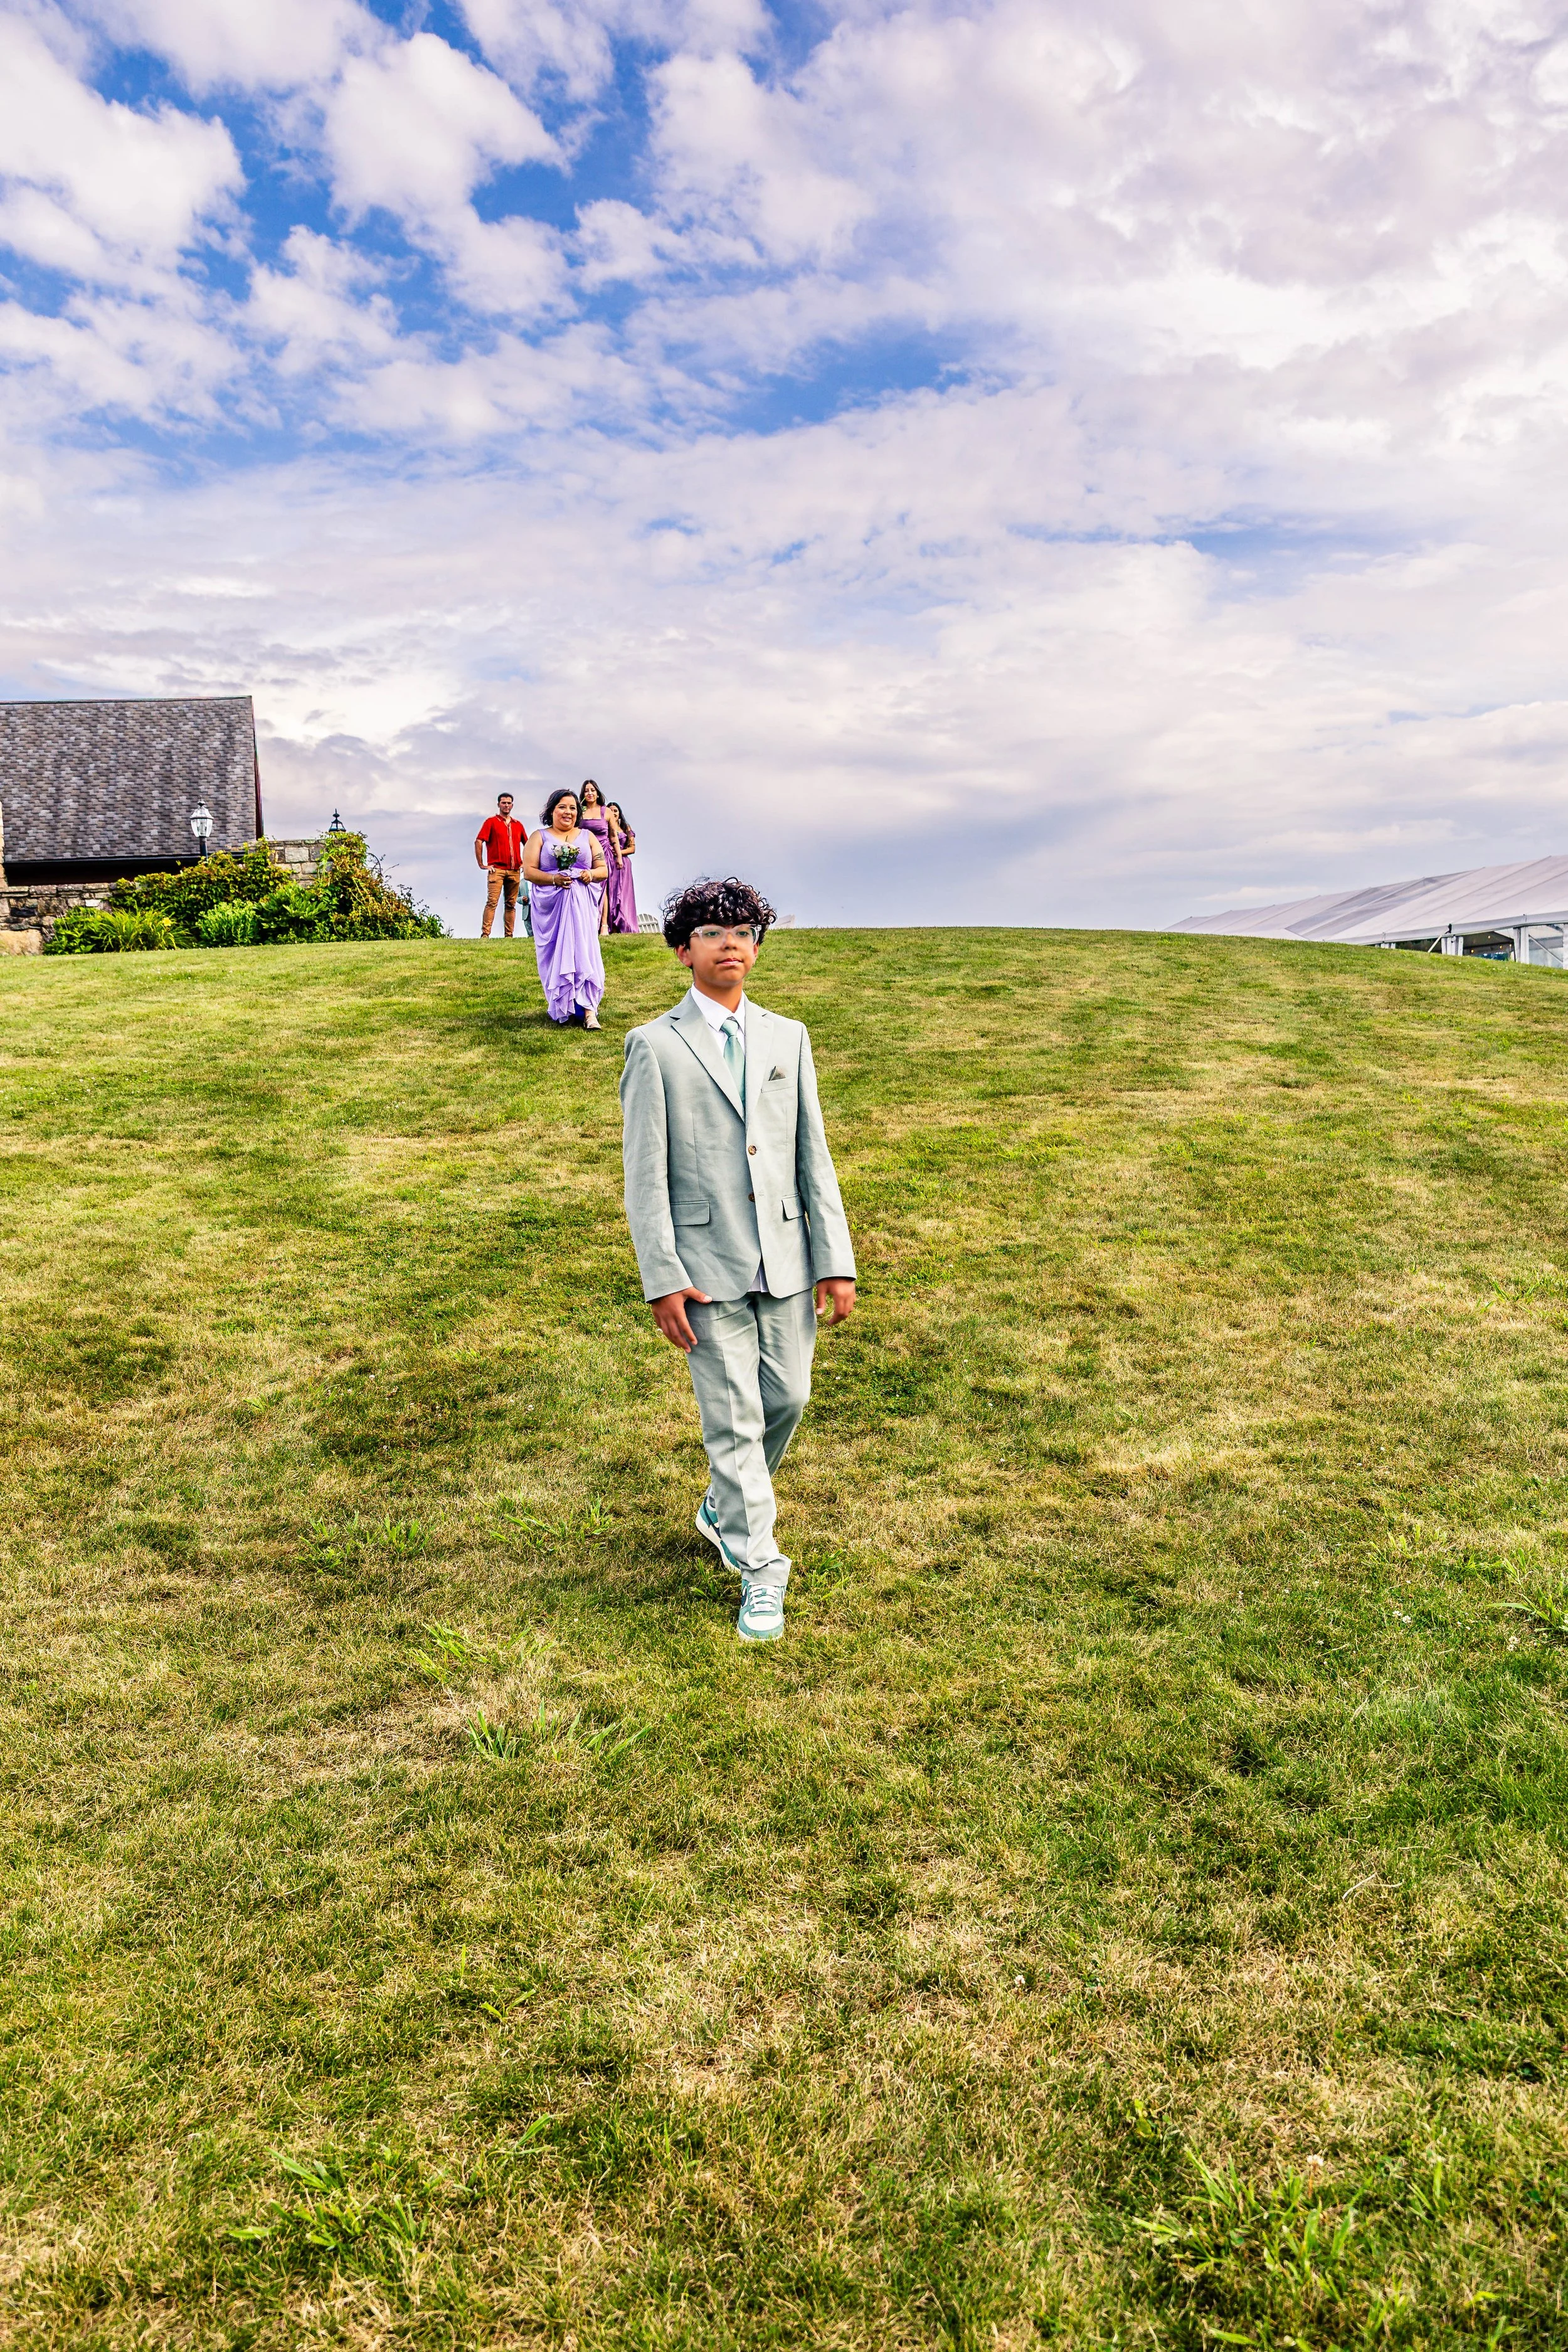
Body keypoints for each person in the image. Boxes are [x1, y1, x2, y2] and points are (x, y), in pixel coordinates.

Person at [620, 878, 856, 1643]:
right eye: (714, 931)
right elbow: (644, 1174)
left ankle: (723, 1507)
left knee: (785, 1400)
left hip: (786, 1258)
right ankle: (761, 1569)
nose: (731, 943)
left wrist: (835, 1259)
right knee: (734, 1420)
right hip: (703, 1267)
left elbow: (811, 1155)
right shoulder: (654, 1045)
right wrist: (662, 1277)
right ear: (683, 949)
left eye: (745, 931)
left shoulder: (789, 1036)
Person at [524, 788, 608, 1027]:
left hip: (581, 907)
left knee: (585, 952)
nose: (568, 812)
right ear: (551, 811)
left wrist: (589, 874)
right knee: (556, 954)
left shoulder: (587, 836)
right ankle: (564, 1005)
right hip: (554, 909)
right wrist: (554, 879)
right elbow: (529, 871)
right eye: (562, 807)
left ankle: (590, 1011)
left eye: (572, 808)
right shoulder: (539, 837)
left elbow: (604, 870)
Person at [475, 792, 526, 938]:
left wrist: (525, 863)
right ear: (498, 805)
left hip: (514, 870)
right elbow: (479, 841)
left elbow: (528, 845)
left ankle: (509, 936)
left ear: (512, 805)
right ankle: (485, 935)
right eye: (504, 803)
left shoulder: (518, 825)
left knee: (511, 904)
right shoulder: (491, 822)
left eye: (509, 803)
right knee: (492, 902)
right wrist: (482, 865)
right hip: (496, 869)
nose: (506, 805)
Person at [577, 780, 612, 936]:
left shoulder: (606, 811)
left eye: (592, 790)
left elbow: (613, 836)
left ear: (598, 793)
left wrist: (618, 856)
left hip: (603, 853)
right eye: (586, 791)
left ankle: (604, 924)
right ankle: (589, 922)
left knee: (603, 888)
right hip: (585, 853)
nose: (590, 793)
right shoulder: (580, 811)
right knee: (586, 887)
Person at [605, 800, 638, 933]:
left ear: (619, 813)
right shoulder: (606, 828)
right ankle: (611, 924)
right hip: (610, 863)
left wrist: (619, 852)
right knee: (611, 892)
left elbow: (633, 848)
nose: (613, 813)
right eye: (611, 810)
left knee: (624, 894)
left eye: (615, 810)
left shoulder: (626, 827)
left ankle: (626, 923)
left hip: (624, 865)